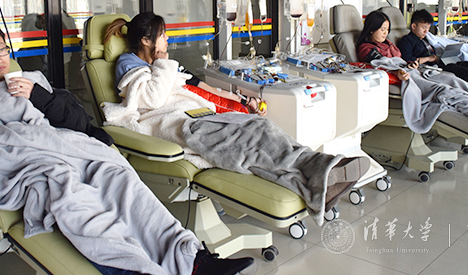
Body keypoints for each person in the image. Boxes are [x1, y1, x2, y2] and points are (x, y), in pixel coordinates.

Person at [0, 23, 256, 275]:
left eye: (2, 51)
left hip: (74, 149)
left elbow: (77, 122)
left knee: (125, 182)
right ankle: (136, 270)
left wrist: (38, 95)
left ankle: (193, 260)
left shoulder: (36, 81)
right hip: (37, 164)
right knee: (72, 195)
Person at [102, 13, 370, 225]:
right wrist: (162, 63)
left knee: (260, 126)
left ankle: (315, 180)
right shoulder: (129, 64)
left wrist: (241, 100)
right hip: (178, 125)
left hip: (198, 117)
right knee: (250, 143)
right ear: (145, 40)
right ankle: (320, 168)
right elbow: (153, 100)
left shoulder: (166, 65)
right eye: (162, 35)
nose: (167, 39)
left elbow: (203, 88)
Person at [356, 10, 468, 138]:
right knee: (446, 92)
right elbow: (382, 63)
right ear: (371, 29)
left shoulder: (388, 43)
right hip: (407, 77)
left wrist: (411, 64)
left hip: (417, 70)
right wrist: (400, 71)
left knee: (457, 82)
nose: (385, 33)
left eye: (387, 29)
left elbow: (402, 59)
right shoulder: (367, 48)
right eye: (382, 29)